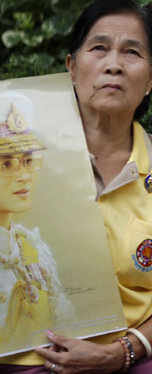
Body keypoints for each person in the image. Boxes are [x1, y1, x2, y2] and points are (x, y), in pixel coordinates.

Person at [2, 0, 152, 373]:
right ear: (71, 68)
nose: (113, 65)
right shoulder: (18, 163)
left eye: (131, 53)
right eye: (99, 48)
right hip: (35, 351)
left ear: (151, 77)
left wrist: (123, 351)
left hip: (144, 346)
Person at [0, 95, 74, 346]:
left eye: (28, 161)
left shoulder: (32, 247)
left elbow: (65, 323)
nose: (23, 176)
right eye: (6, 164)